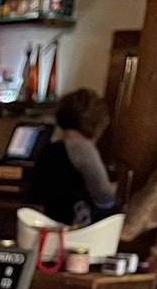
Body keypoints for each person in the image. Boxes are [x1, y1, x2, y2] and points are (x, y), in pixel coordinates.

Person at [28, 88, 116, 227]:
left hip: (46, 227)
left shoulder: (50, 149)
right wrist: (115, 189)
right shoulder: (83, 149)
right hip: (73, 230)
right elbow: (104, 199)